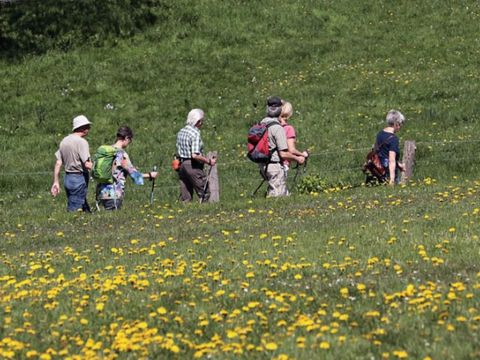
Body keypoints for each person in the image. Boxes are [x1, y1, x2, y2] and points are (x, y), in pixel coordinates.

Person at [96, 126, 158, 210]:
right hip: (114, 194)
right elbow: (133, 175)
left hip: (102, 192)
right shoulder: (121, 154)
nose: (129, 143)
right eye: (130, 141)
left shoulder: (107, 151)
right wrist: (150, 175)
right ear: (126, 138)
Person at [259, 96, 306, 197]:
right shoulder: (280, 128)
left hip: (263, 164)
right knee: (277, 197)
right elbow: (286, 152)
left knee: (279, 193)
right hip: (276, 165)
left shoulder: (263, 124)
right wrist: (299, 157)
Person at [51, 115, 93, 212]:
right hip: (79, 177)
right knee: (74, 209)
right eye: (87, 126)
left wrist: (56, 182)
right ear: (82, 128)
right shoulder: (81, 142)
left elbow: (58, 163)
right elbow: (87, 164)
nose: (89, 129)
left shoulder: (64, 141)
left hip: (68, 178)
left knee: (80, 204)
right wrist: (99, 172)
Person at [175, 108, 217, 202]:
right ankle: (205, 212)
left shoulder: (181, 131)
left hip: (181, 165)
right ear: (198, 121)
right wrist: (209, 161)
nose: (202, 124)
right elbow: (195, 155)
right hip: (192, 166)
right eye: (201, 121)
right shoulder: (195, 133)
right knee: (204, 191)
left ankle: (185, 213)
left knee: (186, 196)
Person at [374, 109, 406, 185]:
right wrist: (392, 180)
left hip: (379, 170)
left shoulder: (380, 134)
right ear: (396, 124)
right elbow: (391, 160)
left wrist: (399, 165)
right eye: (401, 123)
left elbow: (380, 152)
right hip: (388, 173)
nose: (401, 126)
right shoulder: (393, 139)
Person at [279, 101, 309, 176]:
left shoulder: (272, 127)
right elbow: (291, 150)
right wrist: (303, 155)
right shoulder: (288, 129)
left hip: (267, 165)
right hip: (282, 165)